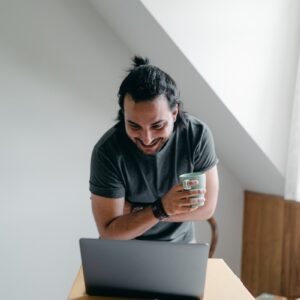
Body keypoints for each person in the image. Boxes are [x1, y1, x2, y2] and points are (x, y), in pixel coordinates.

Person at [89, 56, 219, 243]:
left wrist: (145, 211)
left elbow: (206, 209)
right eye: (134, 126)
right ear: (123, 115)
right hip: (124, 251)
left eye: (157, 126)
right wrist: (163, 207)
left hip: (180, 248)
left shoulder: (197, 136)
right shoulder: (107, 151)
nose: (146, 138)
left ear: (174, 113)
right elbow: (109, 232)